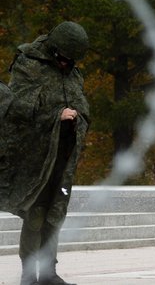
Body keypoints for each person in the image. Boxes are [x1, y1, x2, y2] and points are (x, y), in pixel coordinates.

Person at [0, 21, 90, 285]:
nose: (67, 64)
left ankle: (48, 273)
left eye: (72, 61)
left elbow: (84, 108)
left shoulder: (73, 74)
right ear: (53, 50)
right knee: (36, 215)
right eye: (63, 59)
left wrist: (76, 119)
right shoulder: (29, 65)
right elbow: (15, 109)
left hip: (63, 158)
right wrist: (55, 115)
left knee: (55, 213)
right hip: (35, 159)